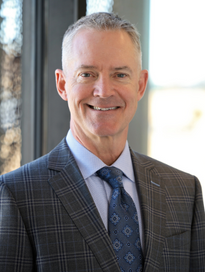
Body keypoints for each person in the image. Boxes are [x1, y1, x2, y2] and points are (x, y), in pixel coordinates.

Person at [0, 12, 204, 272]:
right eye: (87, 74)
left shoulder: (185, 192)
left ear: (140, 85)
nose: (104, 91)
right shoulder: (18, 194)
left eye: (120, 75)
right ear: (62, 85)